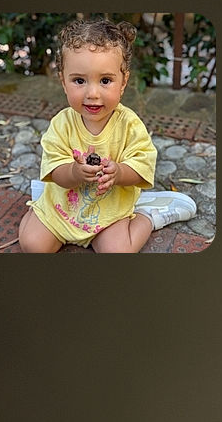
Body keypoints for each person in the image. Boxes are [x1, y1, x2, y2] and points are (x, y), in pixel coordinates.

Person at [19, 16, 195, 253]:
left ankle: (149, 216)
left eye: (105, 81)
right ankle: (40, 204)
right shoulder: (62, 124)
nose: (92, 93)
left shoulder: (129, 125)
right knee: (33, 245)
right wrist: (73, 171)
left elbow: (142, 164)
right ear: (63, 81)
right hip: (62, 205)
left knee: (118, 252)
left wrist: (120, 172)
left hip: (109, 210)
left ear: (123, 82)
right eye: (79, 80)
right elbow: (55, 168)